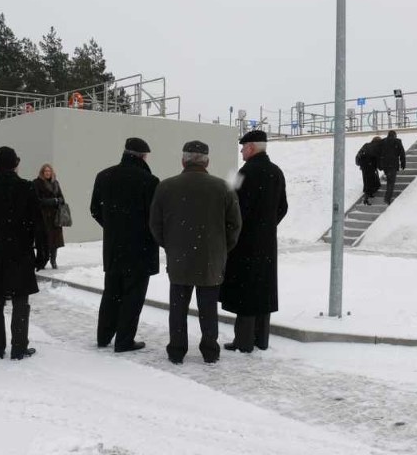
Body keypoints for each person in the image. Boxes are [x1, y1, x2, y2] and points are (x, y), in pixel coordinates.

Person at [150, 140, 242, 364]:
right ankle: (210, 350)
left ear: (183, 160)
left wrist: (170, 246)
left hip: (179, 257)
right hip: (211, 258)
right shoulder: (222, 187)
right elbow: (235, 224)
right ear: (207, 161)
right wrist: (221, 247)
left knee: (178, 308)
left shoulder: (166, 187)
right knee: (208, 308)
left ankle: (177, 349)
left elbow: (155, 224)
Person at [0, 146, 47, 360]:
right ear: (15, 164)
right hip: (21, 251)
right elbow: (38, 224)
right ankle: (19, 346)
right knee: (20, 299)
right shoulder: (27, 188)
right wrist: (42, 252)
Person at [220, 130, 288, 353]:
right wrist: (267, 225)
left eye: (243, 147)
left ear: (251, 148)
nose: (241, 151)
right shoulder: (277, 172)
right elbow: (283, 207)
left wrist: (233, 231)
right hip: (267, 242)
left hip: (244, 242)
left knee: (245, 291)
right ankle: (262, 339)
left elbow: (229, 205)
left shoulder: (242, 172)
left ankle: (244, 341)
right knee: (263, 289)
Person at [90, 137, 160, 353]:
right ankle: (124, 340)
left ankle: (103, 336)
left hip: (113, 247)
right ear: (143, 156)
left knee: (111, 292)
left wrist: (112, 227)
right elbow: (155, 217)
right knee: (133, 295)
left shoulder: (104, 176)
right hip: (140, 248)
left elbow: (94, 210)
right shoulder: (149, 181)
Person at [33, 164, 65, 269]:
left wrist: (58, 200)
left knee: (55, 240)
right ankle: (42, 261)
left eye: (49, 171)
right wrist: (52, 201)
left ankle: (53, 260)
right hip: (43, 216)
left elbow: (61, 198)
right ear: (42, 172)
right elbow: (38, 200)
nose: (48, 173)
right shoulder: (37, 183)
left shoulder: (55, 183)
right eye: (45, 171)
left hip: (55, 217)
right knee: (43, 240)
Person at [377, 130, 406, 204]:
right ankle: (387, 199)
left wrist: (379, 165)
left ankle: (387, 197)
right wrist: (403, 164)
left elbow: (378, 154)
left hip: (385, 165)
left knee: (389, 180)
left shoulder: (382, 142)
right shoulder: (397, 141)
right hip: (393, 164)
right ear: (394, 135)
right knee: (391, 182)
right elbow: (402, 153)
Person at [355, 136, 382, 205]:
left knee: (367, 180)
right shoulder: (377, 146)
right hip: (370, 165)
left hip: (364, 165)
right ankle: (366, 198)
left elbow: (359, 154)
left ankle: (369, 194)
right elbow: (377, 157)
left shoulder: (366, 145)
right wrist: (379, 167)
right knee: (373, 182)